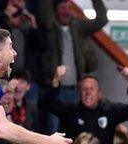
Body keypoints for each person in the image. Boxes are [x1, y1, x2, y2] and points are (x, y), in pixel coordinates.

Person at [37, 0, 108, 134]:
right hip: (55, 89)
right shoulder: (50, 25)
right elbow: (43, 11)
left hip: (76, 88)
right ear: (55, 10)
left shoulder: (78, 26)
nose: (66, 11)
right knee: (52, 129)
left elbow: (102, 20)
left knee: (76, 130)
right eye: (62, 7)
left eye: (69, 8)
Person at [44, 65, 128, 144]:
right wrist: (56, 80)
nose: (88, 92)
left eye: (92, 89)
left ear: (99, 93)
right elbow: (47, 103)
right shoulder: (70, 110)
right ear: (79, 93)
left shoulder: (109, 110)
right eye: (84, 89)